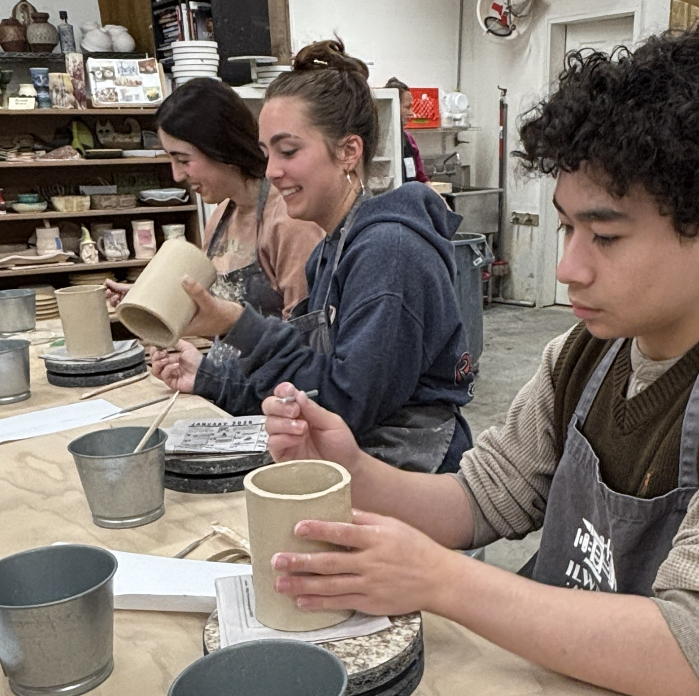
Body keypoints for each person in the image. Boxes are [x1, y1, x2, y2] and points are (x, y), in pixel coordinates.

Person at [258, 20, 699, 696]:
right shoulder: (586, 354)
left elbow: (697, 651)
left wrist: (441, 580)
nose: (568, 269)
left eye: (608, 236)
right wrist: (354, 470)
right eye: (566, 229)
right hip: (570, 695)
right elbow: (482, 498)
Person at [151, 40, 475, 473]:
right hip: (359, 469)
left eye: (289, 152)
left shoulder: (389, 255)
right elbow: (305, 390)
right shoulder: (329, 250)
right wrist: (209, 378)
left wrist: (238, 326)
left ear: (348, 151)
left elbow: (341, 409)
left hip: (413, 486)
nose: (271, 172)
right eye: (267, 155)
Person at [106, 77, 323, 323]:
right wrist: (149, 298)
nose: (177, 175)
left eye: (184, 160)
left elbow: (303, 340)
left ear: (222, 149)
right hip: (226, 362)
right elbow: (211, 306)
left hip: (275, 362)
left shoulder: (289, 222)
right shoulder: (222, 216)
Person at [385, 77, 430, 184]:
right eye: (407, 107)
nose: (411, 112)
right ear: (393, 105)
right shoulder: (381, 140)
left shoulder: (408, 139)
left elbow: (421, 177)